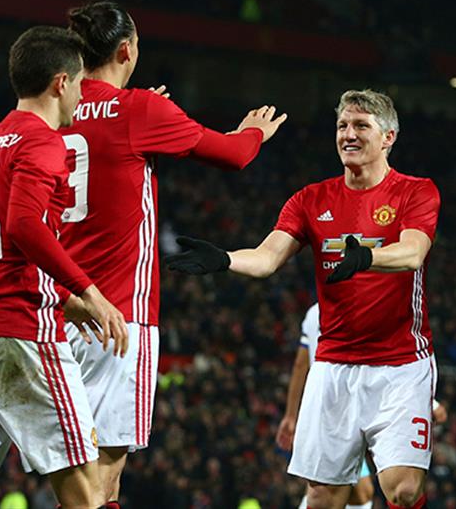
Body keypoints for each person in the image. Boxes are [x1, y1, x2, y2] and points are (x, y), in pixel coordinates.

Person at [167, 89, 440, 509]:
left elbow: (413, 252)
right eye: (342, 126)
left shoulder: (415, 191)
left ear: (388, 137)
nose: (348, 134)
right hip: (333, 366)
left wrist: (367, 257)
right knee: (321, 496)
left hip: (400, 364)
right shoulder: (311, 199)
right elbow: (266, 258)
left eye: (361, 126)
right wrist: (224, 258)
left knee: (402, 489)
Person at [59, 1, 287, 506]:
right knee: (104, 475)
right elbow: (234, 154)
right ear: (126, 50)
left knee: (70, 472)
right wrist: (255, 130)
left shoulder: (56, 110)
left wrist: (143, 112)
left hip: (60, 311)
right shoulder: (141, 109)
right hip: (119, 317)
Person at [0, 26, 128, 509]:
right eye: (79, 84)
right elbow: (22, 225)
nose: (82, 95)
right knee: (88, 492)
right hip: (22, 337)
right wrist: (90, 292)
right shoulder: (44, 141)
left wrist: (65, 301)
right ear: (61, 83)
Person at [278, 303, 449, 509]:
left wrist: (290, 415)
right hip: (365, 396)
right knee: (357, 492)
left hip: (331, 400)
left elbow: (300, 365)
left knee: (345, 492)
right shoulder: (373, 306)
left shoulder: (314, 313)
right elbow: (374, 360)